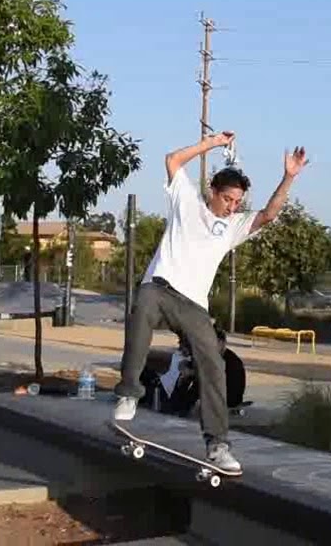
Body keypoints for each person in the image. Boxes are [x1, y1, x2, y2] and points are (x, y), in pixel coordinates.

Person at [113, 130, 308, 473]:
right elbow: (172, 160)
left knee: (214, 365)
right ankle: (130, 391)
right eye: (227, 199)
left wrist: (288, 177)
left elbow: (269, 215)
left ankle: (217, 444)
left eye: (237, 203)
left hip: (194, 306)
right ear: (213, 193)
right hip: (159, 288)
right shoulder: (186, 201)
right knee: (141, 308)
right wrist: (212, 144)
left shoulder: (233, 226)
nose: (232, 207)